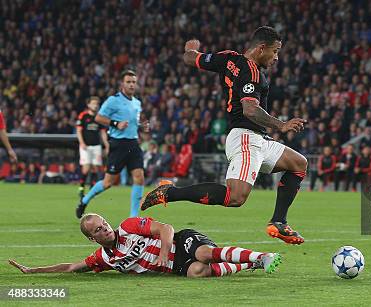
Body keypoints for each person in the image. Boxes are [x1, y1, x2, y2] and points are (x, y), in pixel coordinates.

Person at [140, 26, 309, 245]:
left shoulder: (228, 58)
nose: (276, 57)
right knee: (235, 198)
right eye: (275, 51)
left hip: (256, 138)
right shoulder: (253, 73)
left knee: (299, 164)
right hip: (246, 138)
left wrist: (192, 46)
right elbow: (250, 109)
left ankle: (278, 222)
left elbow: (191, 58)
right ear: (261, 48)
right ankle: (170, 193)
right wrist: (282, 125)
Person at [8, 213, 281, 277]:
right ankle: (251, 263)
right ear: (93, 239)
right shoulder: (105, 259)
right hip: (176, 267)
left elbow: (166, 228)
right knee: (199, 272)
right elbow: (71, 266)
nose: (105, 229)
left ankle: (263, 255)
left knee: (204, 253)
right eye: (98, 231)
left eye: (103, 223)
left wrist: (164, 251)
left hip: (179, 243)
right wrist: (33, 271)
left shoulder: (128, 226)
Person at [76, 70, 149, 219]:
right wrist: (116, 123)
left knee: (139, 177)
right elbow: (98, 117)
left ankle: (133, 217)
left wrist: (142, 125)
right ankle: (84, 200)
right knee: (108, 182)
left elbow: (134, 121)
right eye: (128, 82)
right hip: (118, 144)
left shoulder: (137, 102)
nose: (131, 85)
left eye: (134, 82)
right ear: (122, 84)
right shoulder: (113, 100)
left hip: (133, 143)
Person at [76, 96, 109, 199]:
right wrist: (81, 142)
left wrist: (106, 144)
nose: (95, 105)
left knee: (95, 168)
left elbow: (103, 132)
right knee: (86, 168)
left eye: (97, 104)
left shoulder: (100, 117)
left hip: (96, 146)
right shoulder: (83, 116)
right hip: (86, 146)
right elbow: (79, 131)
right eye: (93, 103)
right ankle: (81, 188)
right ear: (88, 105)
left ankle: (92, 190)